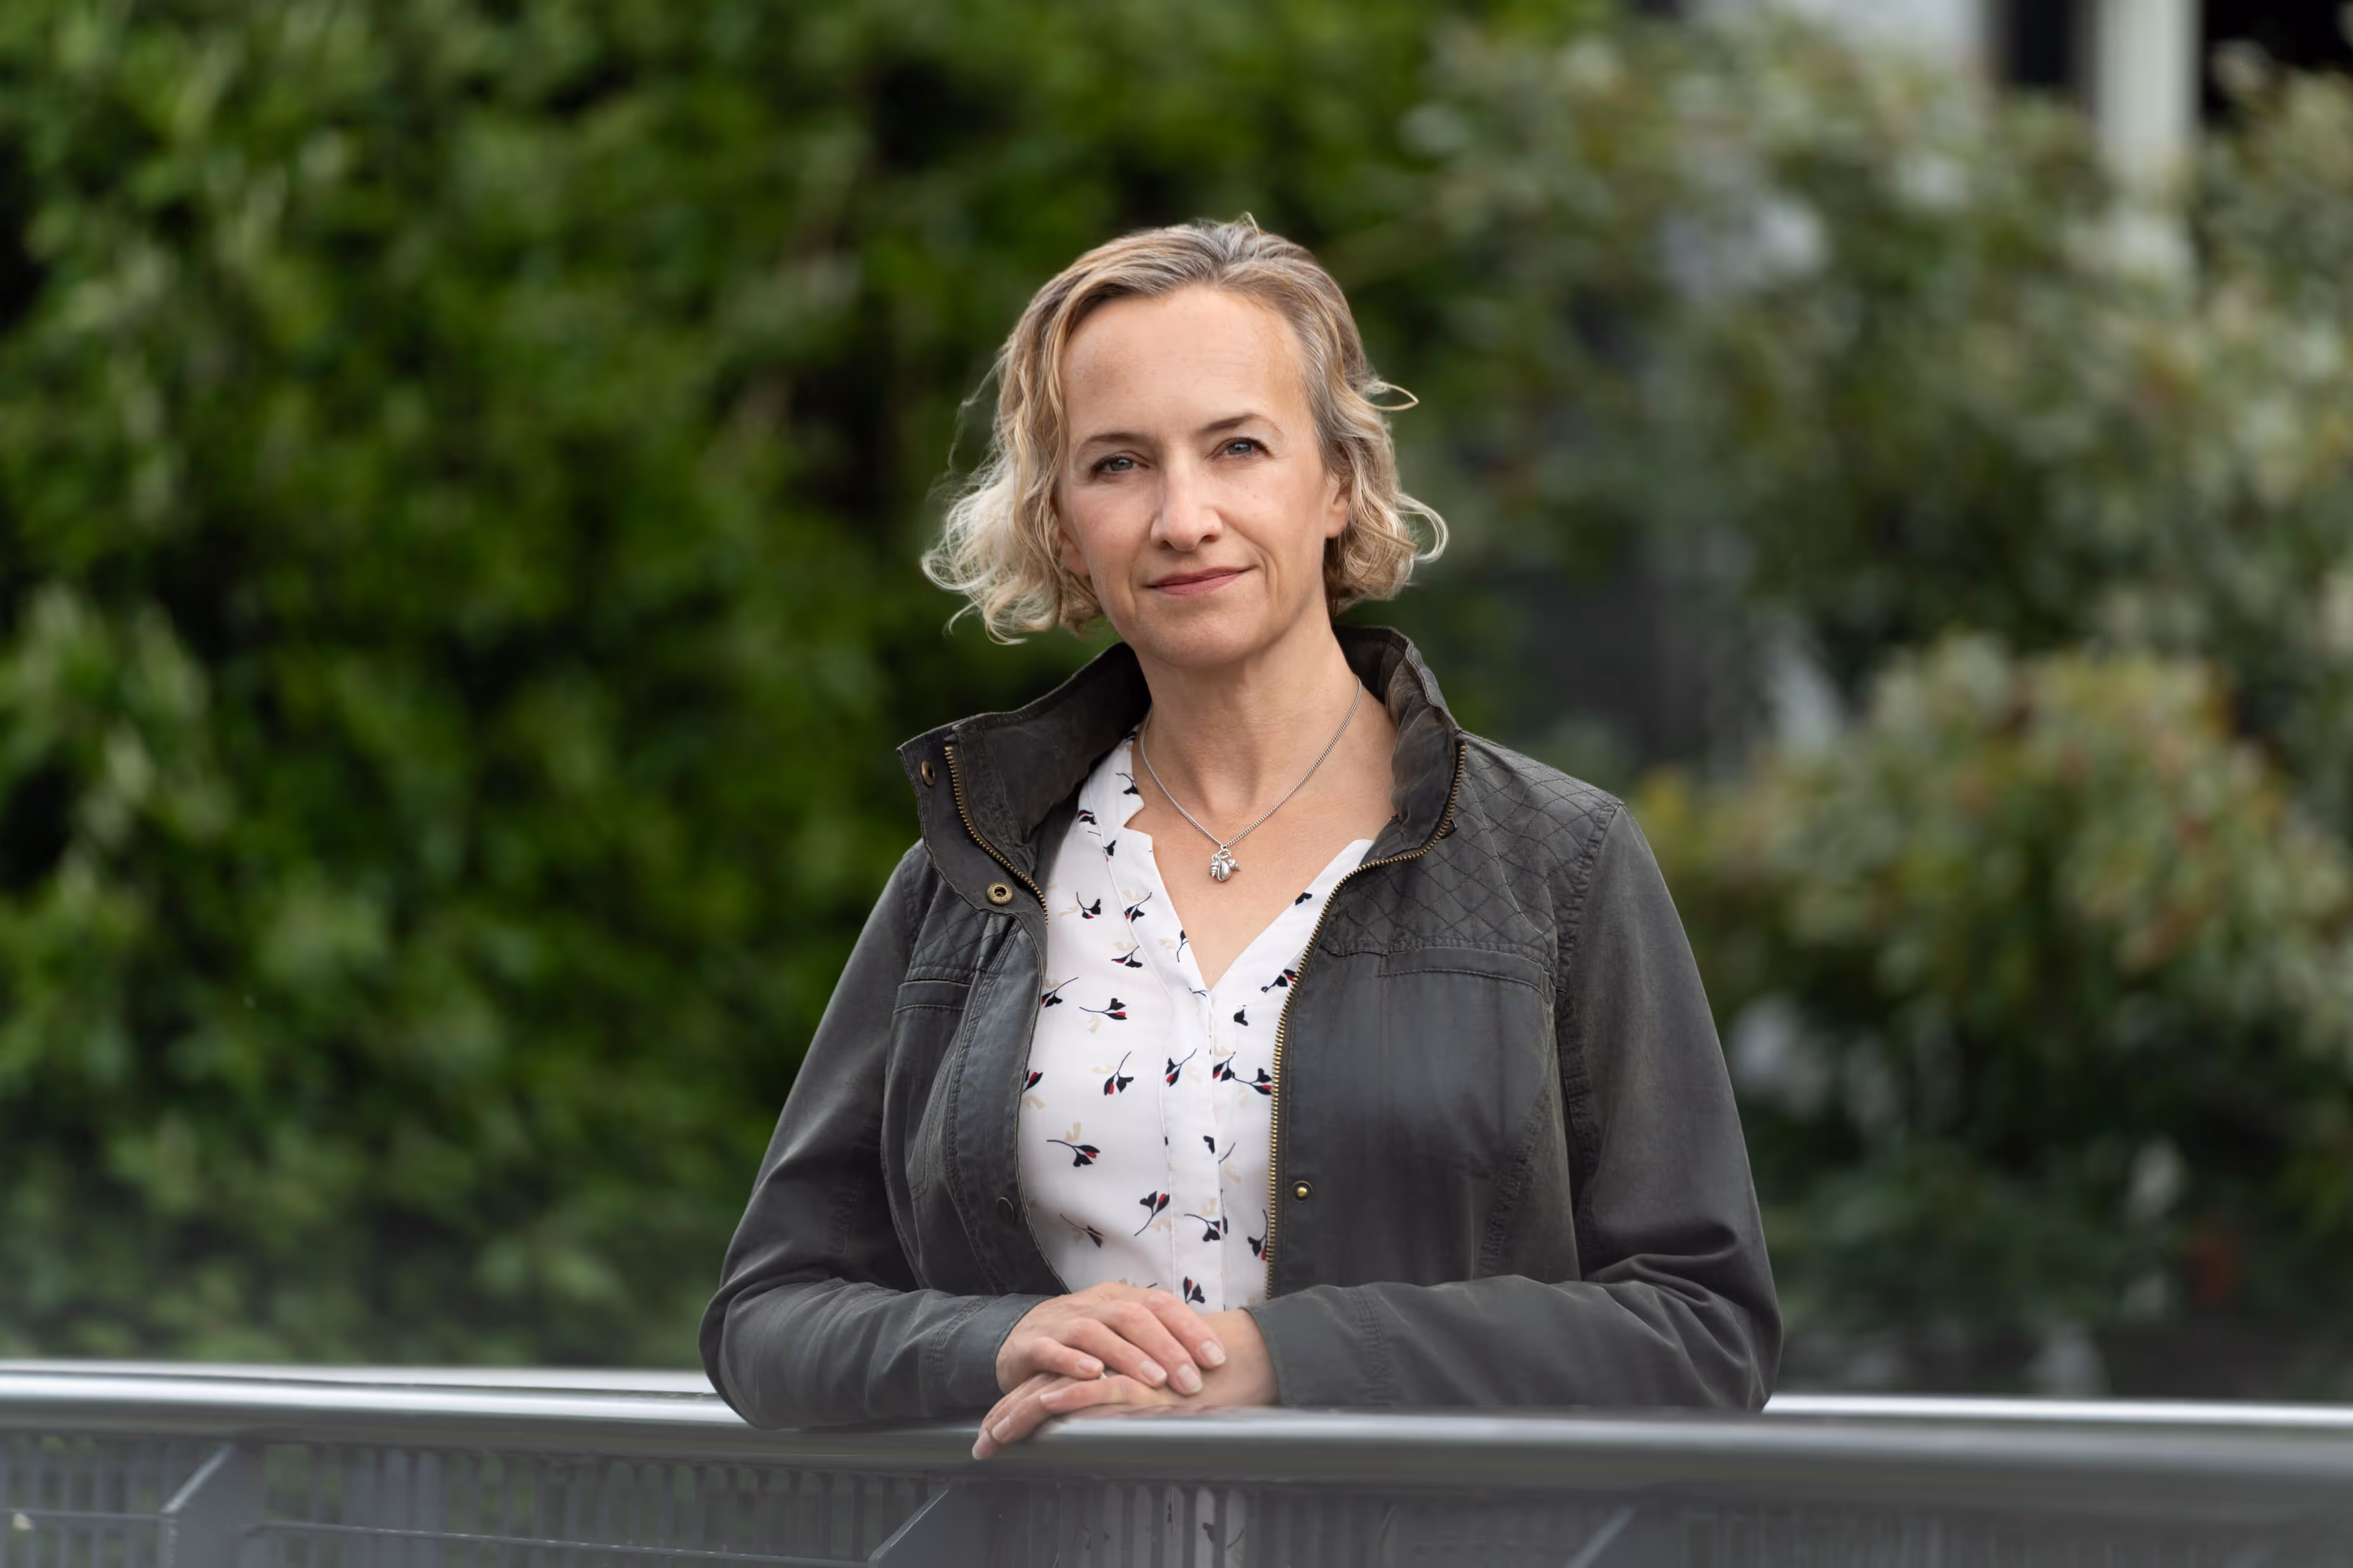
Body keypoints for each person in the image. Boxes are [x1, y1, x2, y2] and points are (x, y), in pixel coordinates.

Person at [699, 219, 1778, 1456]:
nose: (1181, 515)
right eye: (1116, 464)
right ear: (1059, 523)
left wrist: (1289, 1361)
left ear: (1336, 481)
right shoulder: (974, 871)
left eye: (1237, 447)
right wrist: (992, 1341)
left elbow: (1703, 1328)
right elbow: (766, 1315)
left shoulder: (1559, 863)